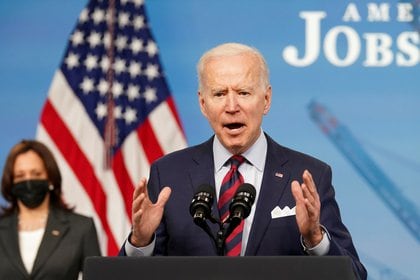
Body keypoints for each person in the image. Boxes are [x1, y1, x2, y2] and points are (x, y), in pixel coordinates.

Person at [119, 42, 367, 279]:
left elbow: (354, 274)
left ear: (266, 100)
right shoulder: (169, 174)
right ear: (203, 104)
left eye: (243, 92)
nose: (231, 106)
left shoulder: (309, 175)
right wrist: (141, 242)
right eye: (219, 94)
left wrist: (315, 238)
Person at [0, 140, 101, 280]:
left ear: (50, 179)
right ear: (10, 182)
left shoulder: (81, 228)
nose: (28, 181)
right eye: (20, 176)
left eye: (36, 174)